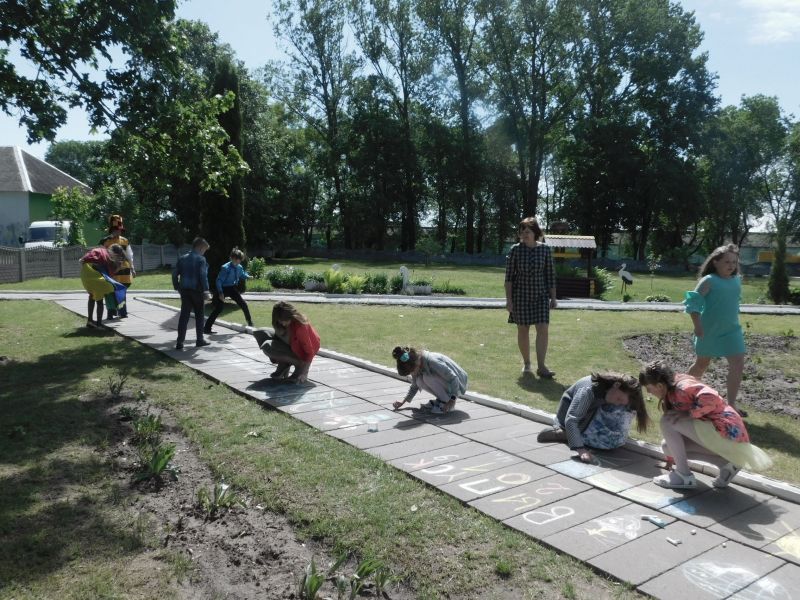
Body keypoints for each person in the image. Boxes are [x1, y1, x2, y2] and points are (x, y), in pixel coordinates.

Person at [639, 360, 772, 490]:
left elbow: (711, 397)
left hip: (725, 432)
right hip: (723, 436)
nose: (649, 392)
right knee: (667, 447)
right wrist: (671, 458)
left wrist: (689, 414)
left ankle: (683, 475)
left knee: (667, 421)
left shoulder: (682, 387)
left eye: (649, 388)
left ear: (659, 386)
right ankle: (725, 464)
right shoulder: (672, 391)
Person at [684, 243, 747, 416]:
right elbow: (693, 304)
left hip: (732, 330)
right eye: (727, 262)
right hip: (709, 330)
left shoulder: (736, 280)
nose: (731, 265)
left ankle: (731, 405)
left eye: (734, 262)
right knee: (702, 364)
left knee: (738, 362)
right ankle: (681, 392)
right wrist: (697, 326)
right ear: (715, 262)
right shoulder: (709, 280)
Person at [536, 372, 650, 464]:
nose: (617, 403)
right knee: (581, 431)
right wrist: (580, 449)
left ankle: (578, 436)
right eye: (618, 399)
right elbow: (571, 420)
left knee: (621, 410)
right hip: (570, 417)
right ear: (616, 385)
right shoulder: (588, 391)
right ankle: (562, 433)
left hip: (592, 411)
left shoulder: (615, 389)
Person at [504, 216, 558, 378]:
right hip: (520, 296)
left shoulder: (545, 250)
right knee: (523, 329)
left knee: (543, 329)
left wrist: (553, 297)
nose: (524, 234)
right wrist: (509, 300)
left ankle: (541, 367)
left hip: (540, 295)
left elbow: (550, 275)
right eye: (522, 232)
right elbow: (509, 278)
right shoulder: (515, 250)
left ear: (535, 233)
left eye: (527, 231)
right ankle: (527, 363)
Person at [252, 301, 320, 383]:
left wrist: (304, 372)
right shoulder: (280, 323)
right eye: (279, 320)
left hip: (304, 350)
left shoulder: (300, 327)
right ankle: (284, 363)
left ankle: (299, 365)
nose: (282, 323)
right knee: (260, 333)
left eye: (284, 320)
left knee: (267, 346)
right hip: (291, 343)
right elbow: (278, 336)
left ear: (290, 316)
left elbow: (309, 352)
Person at [391, 346, 468, 415]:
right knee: (419, 381)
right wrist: (403, 402)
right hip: (450, 384)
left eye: (412, 371)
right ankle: (441, 400)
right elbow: (414, 385)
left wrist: (452, 400)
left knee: (426, 377)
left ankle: (446, 403)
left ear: (416, 363)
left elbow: (454, 378)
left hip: (458, 384)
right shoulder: (415, 363)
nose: (412, 373)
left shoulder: (433, 362)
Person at [172, 237, 212, 350]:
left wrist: (177, 286)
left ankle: (180, 342)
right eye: (204, 250)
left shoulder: (182, 258)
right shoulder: (201, 259)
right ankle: (199, 340)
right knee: (199, 316)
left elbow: (174, 274)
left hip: (184, 291)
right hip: (197, 291)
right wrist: (206, 290)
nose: (204, 252)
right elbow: (203, 276)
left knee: (184, 316)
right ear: (200, 248)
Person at [204, 247, 253, 334]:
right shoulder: (225, 268)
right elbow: (218, 281)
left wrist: (248, 276)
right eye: (236, 259)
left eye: (239, 260)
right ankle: (206, 328)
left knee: (243, 304)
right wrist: (220, 293)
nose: (238, 261)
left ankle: (250, 323)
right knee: (219, 309)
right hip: (222, 288)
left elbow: (242, 274)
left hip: (231, 288)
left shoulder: (239, 267)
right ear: (232, 258)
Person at [79, 244, 127, 329]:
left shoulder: (100, 251)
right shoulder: (108, 257)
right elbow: (108, 274)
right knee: (101, 299)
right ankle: (99, 324)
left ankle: (90, 321)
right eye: (118, 257)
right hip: (94, 276)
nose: (117, 259)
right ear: (115, 254)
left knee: (92, 296)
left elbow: (82, 260)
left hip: (85, 275)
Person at [99, 214, 135, 318]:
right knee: (110, 291)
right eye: (116, 229)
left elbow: (129, 255)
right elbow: (101, 254)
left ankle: (122, 312)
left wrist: (132, 268)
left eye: (120, 230)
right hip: (112, 271)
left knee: (122, 292)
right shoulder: (105, 241)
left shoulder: (125, 240)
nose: (118, 232)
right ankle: (111, 312)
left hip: (124, 272)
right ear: (112, 230)